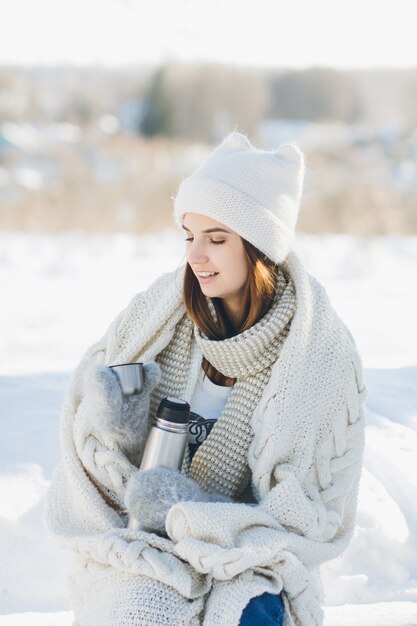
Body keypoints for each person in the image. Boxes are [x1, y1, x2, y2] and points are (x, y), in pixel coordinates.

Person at [44, 131, 367, 626]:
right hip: (148, 542)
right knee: (143, 606)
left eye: (216, 240)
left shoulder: (318, 355)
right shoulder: (160, 319)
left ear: (258, 248)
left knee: (252, 613)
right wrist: (121, 427)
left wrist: (193, 510)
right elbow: (96, 458)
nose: (195, 257)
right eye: (189, 236)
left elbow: (309, 515)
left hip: (251, 557)